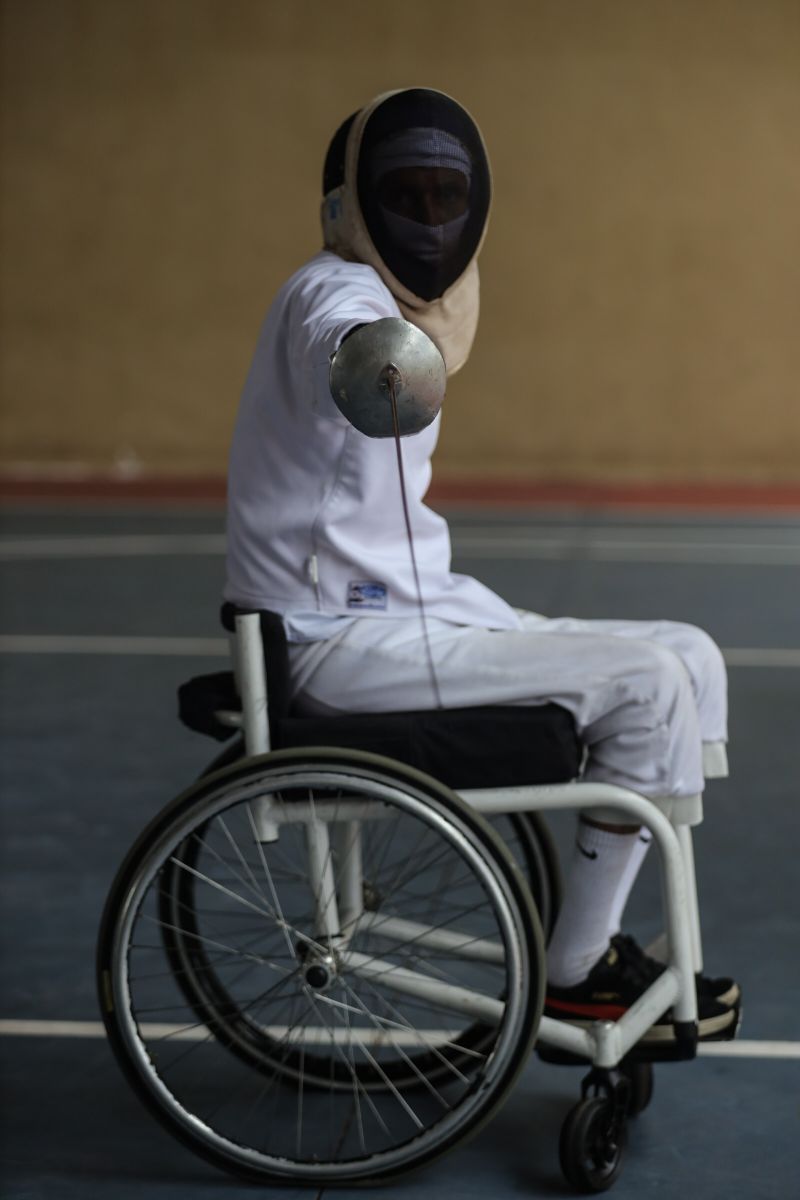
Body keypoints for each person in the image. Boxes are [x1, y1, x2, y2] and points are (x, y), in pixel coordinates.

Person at [224, 87, 739, 1042]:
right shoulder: (333, 294)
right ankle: (576, 970)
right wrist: (370, 356)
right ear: (350, 205)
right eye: (403, 195)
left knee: (692, 657)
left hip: (409, 612)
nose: (427, 218)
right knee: (650, 685)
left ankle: (599, 930)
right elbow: (339, 333)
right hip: (333, 638)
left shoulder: (398, 301)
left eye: (445, 196)